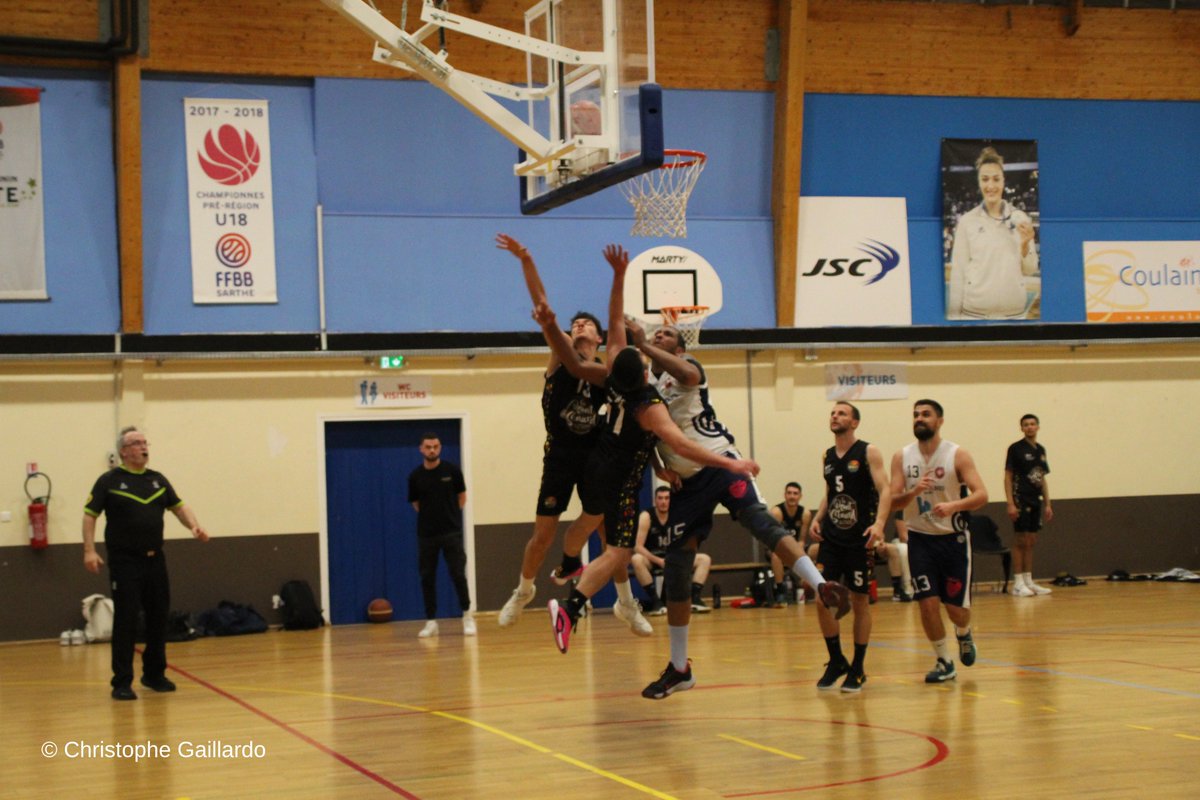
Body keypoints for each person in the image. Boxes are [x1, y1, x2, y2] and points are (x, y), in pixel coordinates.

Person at [543, 244, 766, 668]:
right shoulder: (649, 405)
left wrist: (619, 275)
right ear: (643, 372)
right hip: (620, 480)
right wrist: (732, 463)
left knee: (614, 547)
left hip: (601, 466)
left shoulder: (613, 377)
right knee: (619, 552)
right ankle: (569, 608)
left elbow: (612, 324)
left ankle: (572, 584)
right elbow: (682, 444)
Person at [623, 315, 850, 700]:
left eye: (667, 335)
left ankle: (821, 585)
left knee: (761, 522)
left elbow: (687, 376)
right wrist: (661, 470)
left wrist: (644, 343)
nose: (659, 335)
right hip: (687, 484)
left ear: (680, 348)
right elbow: (649, 437)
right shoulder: (647, 386)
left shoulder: (689, 368)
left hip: (721, 462)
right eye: (655, 332)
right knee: (677, 568)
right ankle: (679, 668)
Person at [493, 234, 610, 627]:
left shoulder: (608, 370)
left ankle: (575, 564)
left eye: (587, 324)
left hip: (592, 455)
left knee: (595, 520)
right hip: (559, 454)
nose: (578, 326)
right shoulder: (561, 354)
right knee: (541, 535)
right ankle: (524, 590)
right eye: (575, 323)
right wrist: (526, 259)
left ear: (598, 338)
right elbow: (542, 304)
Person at [82, 426, 209, 701]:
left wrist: (194, 526)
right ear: (124, 451)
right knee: (126, 620)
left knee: (158, 617)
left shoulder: (157, 480)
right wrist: (89, 551)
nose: (143, 447)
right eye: (136, 443)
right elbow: (90, 515)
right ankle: (122, 681)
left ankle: (154, 674)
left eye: (144, 442)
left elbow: (179, 506)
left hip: (155, 560)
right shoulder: (109, 481)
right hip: (125, 561)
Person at [890, 399, 988, 684]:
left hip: (952, 540)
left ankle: (963, 633)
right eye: (916, 414)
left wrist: (955, 506)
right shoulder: (902, 456)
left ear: (940, 421)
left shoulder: (957, 454)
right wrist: (913, 492)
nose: (919, 418)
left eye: (926, 414)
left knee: (956, 610)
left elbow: (981, 494)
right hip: (920, 539)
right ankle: (944, 661)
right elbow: (893, 498)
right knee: (927, 604)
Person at [807, 402, 892, 692]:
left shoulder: (868, 452)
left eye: (842, 413)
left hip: (859, 539)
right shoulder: (827, 455)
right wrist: (817, 518)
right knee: (822, 597)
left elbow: (886, 490)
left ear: (854, 422)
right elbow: (830, 492)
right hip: (832, 537)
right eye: (832, 412)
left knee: (858, 602)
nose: (835, 416)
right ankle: (836, 660)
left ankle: (858, 667)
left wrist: (879, 524)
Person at [946, 146, 1039, 320]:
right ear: (979, 182)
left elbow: (1030, 269)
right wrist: (953, 320)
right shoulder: (967, 221)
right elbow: (958, 275)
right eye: (985, 179)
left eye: (996, 179)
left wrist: (1026, 244)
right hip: (973, 316)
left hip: (1014, 316)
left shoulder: (1020, 219)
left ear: (1003, 181)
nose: (991, 186)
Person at [407, 433, 473, 638]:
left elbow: (462, 497)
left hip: (451, 533)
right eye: (428, 447)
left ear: (440, 448)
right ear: (421, 449)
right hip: (426, 536)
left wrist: (450, 516)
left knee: (457, 574)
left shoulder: (452, 471)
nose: (432, 450)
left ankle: (467, 616)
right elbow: (415, 503)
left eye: (435, 446)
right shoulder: (415, 476)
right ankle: (431, 622)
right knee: (427, 577)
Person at [632, 486, 712, 615]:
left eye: (667, 498)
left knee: (704, 559)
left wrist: (679, 557)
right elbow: (637, 546)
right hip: (653, 559)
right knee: (636, 559)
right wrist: (658, 560)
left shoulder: (679, 515)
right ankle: (656, 602)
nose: (663, 501)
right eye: (660, 498)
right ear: (655, 501)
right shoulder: (646, 516)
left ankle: (694, 599)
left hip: (674, 557)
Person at [1005, 413, 1053, 597]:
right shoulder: (1015, 449)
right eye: (1026, 424)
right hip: (1020, 499)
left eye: (1033, 424)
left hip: (1036, 500)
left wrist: (1047, 503)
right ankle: (1017, 583)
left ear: (1038, 427)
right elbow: (1008, 477)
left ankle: (1028, 580)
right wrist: (1010, 503)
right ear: (1022, 428)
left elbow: (1042, 478)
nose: (1030, 427)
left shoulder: (1040, 450)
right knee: (1020, 539)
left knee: (1031, 540)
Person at [767, 482, 811, 606]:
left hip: (796, 547)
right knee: (777, 555)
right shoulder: (777, 512)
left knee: (818, 549)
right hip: (776, 547)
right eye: (789, 493)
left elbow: (802, 539)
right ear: (785, 495)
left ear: (800, 496)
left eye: (795, 493)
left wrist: (799, 548)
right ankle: (780, 591)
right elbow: (773, 539)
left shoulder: (805, 514)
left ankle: (816, 586)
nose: (792, 496)